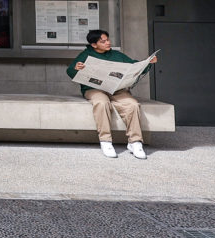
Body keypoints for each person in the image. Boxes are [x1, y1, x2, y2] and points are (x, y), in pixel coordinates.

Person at [66, 29, 158, 159]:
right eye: (103, 41)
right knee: (101, 102)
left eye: (108, 39)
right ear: (94, 45)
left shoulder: (116, 55)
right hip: (94, 89)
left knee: (133, 104)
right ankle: (106, 141)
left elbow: (134, 65)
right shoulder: (86, 55)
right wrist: (76, 68)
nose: (108, 43)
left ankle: (135, 142)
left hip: (117, 89)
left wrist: (147, 64)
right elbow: (70, 71)